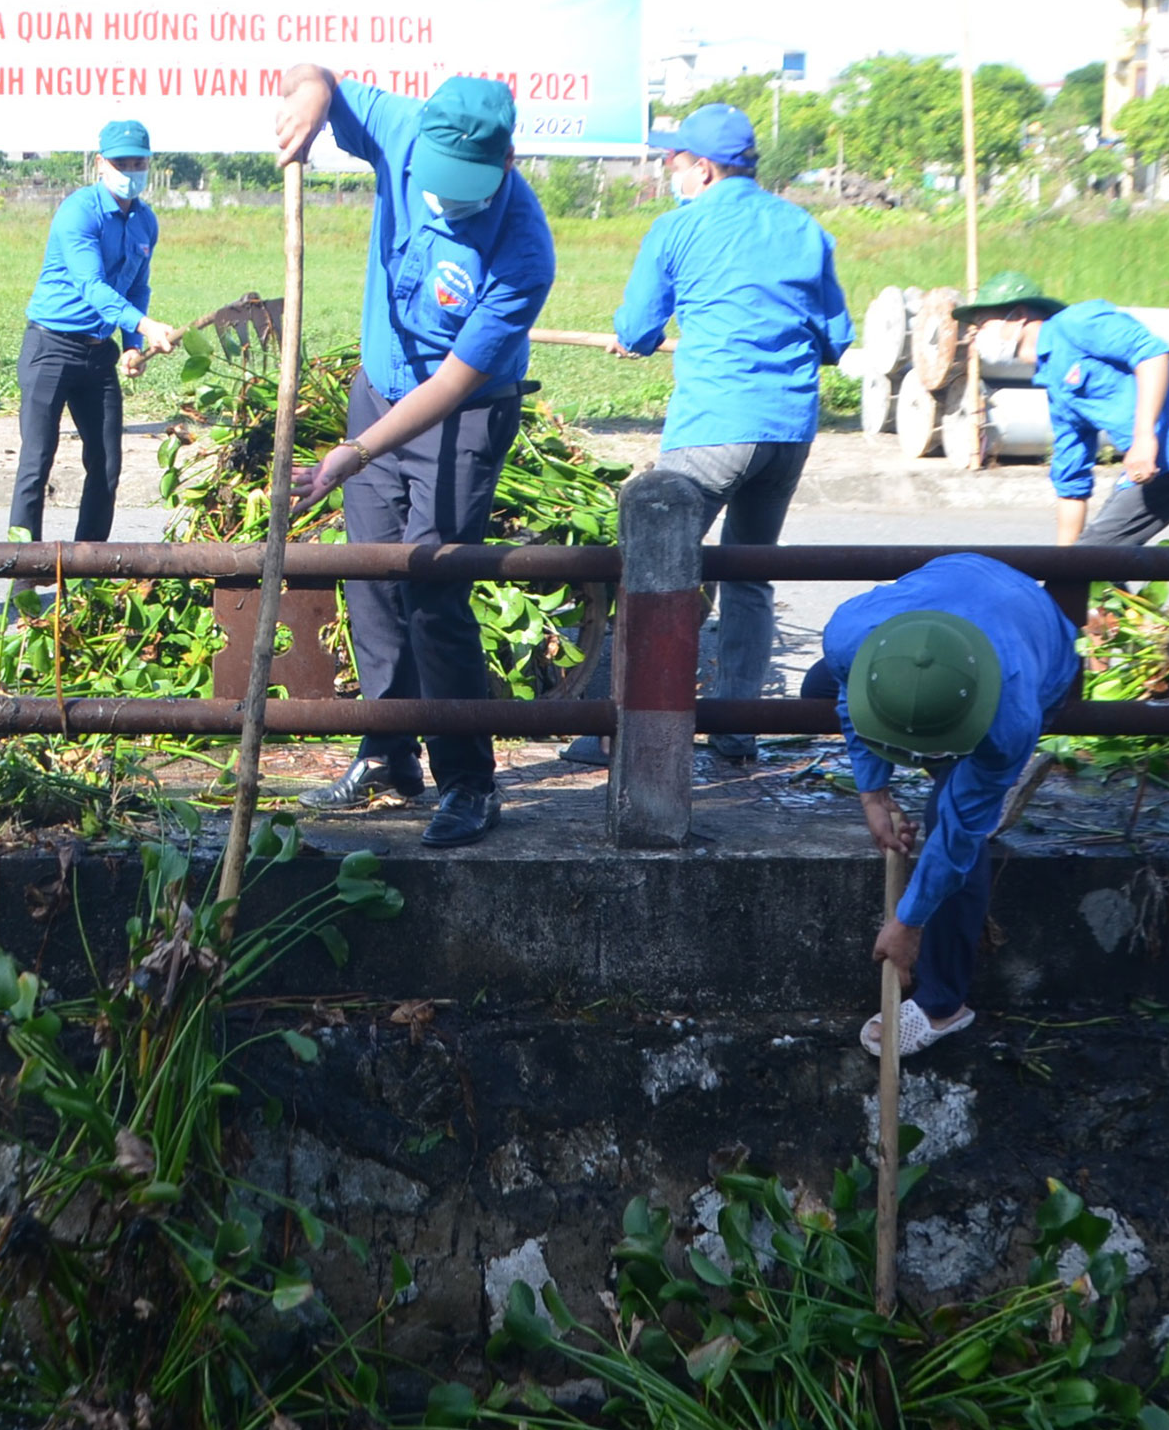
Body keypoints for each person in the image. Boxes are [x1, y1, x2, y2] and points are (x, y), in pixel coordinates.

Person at [273, 69, 557, 848]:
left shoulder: (523, 250)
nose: (439, 199)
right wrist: (310, 96)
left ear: (505, 163)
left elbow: (456, 381)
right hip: (379, 388)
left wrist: (357, 451)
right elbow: (319, 77)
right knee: (369, 578)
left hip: (461, 413)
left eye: (460, 188)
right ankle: (387, 752)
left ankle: (468, 782)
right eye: (433, 179)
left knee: (433, 587)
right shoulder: (402, 128)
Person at [607, 101, 852, 766]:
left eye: (675, 161)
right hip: (787, 431)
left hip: (713, 426)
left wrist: (633, 337)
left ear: (706, 169)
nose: (669, 171)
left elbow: (638, 330)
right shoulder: (803, 226)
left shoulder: (677, 228)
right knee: (749, 575)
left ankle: (622, 729)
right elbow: (835, 339)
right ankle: (737, 728)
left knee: (655, 569)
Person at [804, 554, 1080, 1057]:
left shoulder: (1009, 720)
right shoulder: (849, 636)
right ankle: (965, 779)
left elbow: (953, 840)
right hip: (958, 586)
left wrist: (908, 923)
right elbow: (848, 690)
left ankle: (942, 1004)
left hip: (1035, 637)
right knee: (814, 687)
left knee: (953, 826)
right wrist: (873, 793)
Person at [956, 272, 1169, 546]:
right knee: (1092, 559)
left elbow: (1151, 355)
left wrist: (1144, 438)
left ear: (1018, 315)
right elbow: (1071, 481)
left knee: (1099, 555)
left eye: (982, 324)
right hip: (1152, 465)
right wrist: (1062, 566)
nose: (976, 336)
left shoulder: (1076, 323)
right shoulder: (1054, 381)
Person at [10, 119, 179, 543]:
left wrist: (132, 345)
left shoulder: (145, 221)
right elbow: (92, 286)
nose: (131, 171)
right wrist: (145, 324)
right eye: (121, 163)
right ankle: (22, 565)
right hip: (50, 347)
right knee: (36, 461)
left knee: (106, 465)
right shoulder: (79, 212)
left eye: (139, 163)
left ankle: (89, 564)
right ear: (100, 163)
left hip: (99, 353)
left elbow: (137, 286)